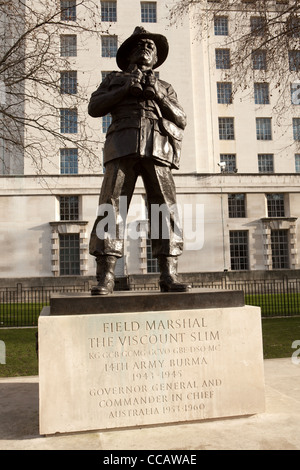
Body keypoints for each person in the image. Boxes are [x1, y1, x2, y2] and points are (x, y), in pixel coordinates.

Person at [88, 26, 191, 295]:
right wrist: (124, 90)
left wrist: (156, 93)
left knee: (164, 209)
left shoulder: (164, 86)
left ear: (156, 59)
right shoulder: (114, 79)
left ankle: (168, 273)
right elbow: (94, 107)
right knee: (111, 207)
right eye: (141, 44)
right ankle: (106, 275)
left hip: (157, 147)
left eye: (151, 46)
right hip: (122, 144)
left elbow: (181, 119)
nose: (147, 47)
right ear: (130, 53)